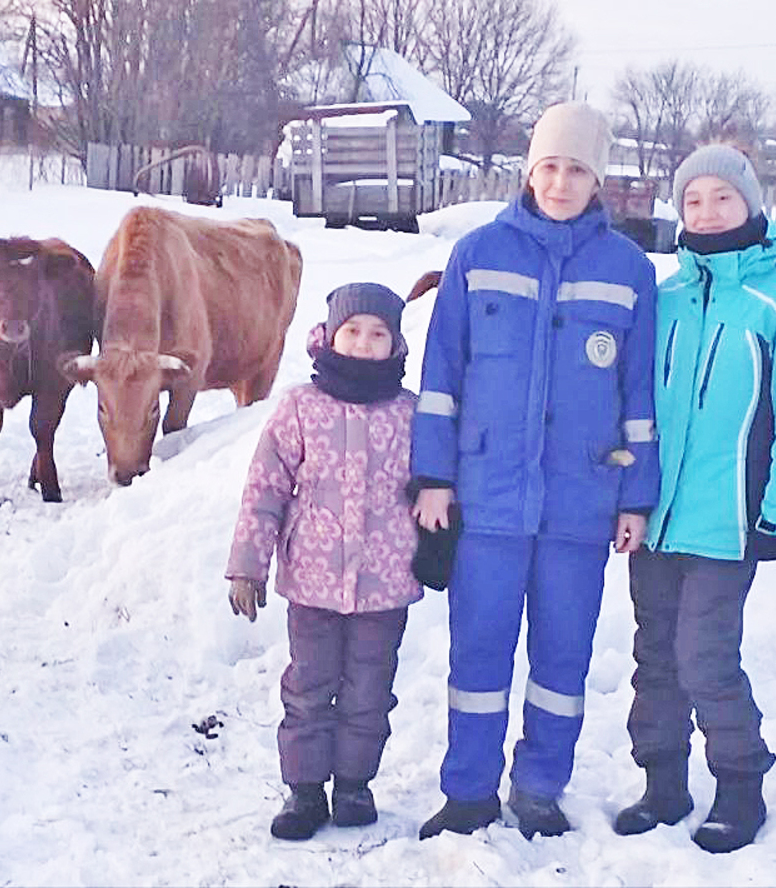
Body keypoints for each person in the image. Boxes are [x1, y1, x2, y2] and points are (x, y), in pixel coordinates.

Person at [411, 101, 661, 840]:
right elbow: (441, 375)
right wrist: (433, 477)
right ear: (528, 171)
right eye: (549, 166)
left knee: (562, 657)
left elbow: (638, 395)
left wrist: (635, 496)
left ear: (598, 180)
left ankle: (541, 786)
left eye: (577, 169)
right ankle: (469, 791)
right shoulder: (478, 254)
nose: (560, 181)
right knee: (479, 652)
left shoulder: (629, 271)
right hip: (487, 500)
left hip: (581, 505)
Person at [612, 144, 776, 853]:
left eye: (722, 198)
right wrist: (625, 494)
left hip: (731, 524)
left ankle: (740, 783)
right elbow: (633, 404)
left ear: (750, 205)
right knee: (655, 655)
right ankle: (663, 782)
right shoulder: (664, 295)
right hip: (656, 519)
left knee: (705, 656)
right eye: (693, 200)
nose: (707, 211)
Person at [224, 282, 424, 841]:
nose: (363, 343)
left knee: (369, 688)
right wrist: (248, 565)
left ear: (396, 343)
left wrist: (439, 542)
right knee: (308, 685)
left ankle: (355, 783)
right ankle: (305, 790)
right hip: (311, 581)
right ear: (331, 334)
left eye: (378, 333)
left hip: (385, 584)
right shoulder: (300, 408)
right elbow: (265, 488)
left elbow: (433, 487)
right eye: (353, 331)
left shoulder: (411, 413)